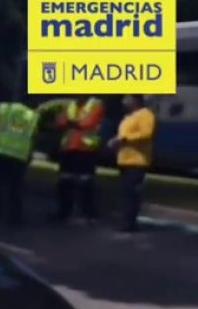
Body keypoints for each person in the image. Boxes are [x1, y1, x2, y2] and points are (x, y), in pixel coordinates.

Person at [0, 101, 40, 225]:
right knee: (15, 189)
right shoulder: (32, 116)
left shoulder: (4, 109)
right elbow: (33, 138)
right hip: (19, 155)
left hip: (0, 151)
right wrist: (29, 155)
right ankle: (15, 218)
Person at [107, 94, 156, 233]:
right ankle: (127, 220)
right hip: (125, 159)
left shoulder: (145, 114)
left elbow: (146, 133)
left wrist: (123, 139)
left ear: (136, 101)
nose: (124, 102)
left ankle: (129, 223)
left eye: (127, 99)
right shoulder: (129, 117)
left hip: (137, 160)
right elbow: (123, 135)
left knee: (131, 192)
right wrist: (116, 141)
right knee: (126, 192)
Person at [52, 95, 104, 223]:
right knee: (65, 181)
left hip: (86, 148)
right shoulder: (70, 105)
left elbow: (89, 123)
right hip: (69, 148)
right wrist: (72, 123)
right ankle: (64, 212)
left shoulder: (95, 104)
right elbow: (60, 122)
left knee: (86, 182)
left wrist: (70, 122)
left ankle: (88, 214)